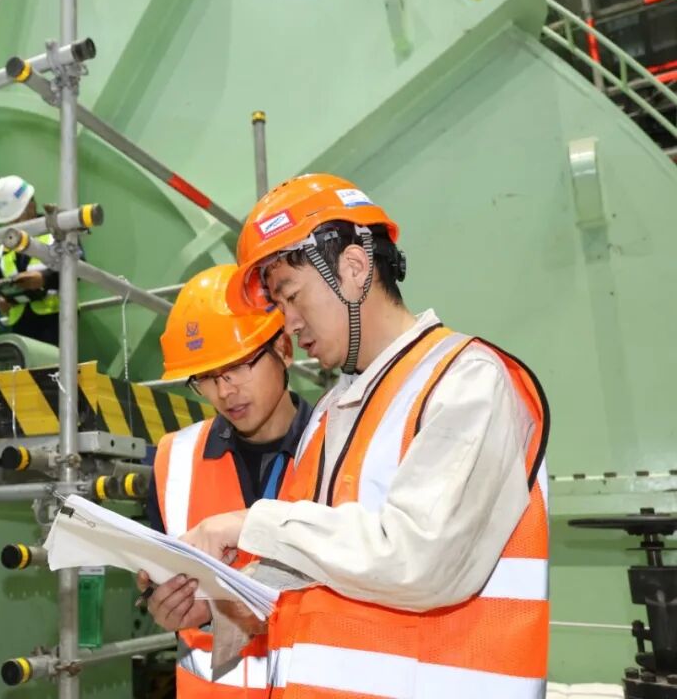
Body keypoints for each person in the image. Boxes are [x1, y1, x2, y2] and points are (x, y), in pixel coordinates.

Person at [182, 174, 550, 698]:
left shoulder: (465, 380)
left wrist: (250, 523)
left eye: (292, 296)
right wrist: (212, 605)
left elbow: (420, 561)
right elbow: (317, 571)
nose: (289, 325)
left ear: (354, 268)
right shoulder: (331, 412)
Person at [137, 264, 315, 697]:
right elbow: (163, 585)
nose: (224, 391)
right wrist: (167, 605)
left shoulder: (340, 446)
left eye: (237, 366)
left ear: (284, 349)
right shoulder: (172, 460)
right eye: (206, 377)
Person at [0, 174, 60, 346]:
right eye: (8, 220)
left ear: (31, 205)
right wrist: (0, 297)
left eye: (16, 217)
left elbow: (78, 268)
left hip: (56, 322)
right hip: (20, 326)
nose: (12, 223)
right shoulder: (5, 244)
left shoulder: (56, 231)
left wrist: (44, 279)